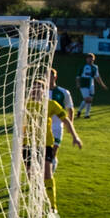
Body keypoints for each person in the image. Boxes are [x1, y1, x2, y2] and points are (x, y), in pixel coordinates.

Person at [25, 80, 82, 211]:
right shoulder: (24, 104)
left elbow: (65, 119)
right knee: (30, 173)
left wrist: (75, 136)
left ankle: (52, 205)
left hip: (46, 143)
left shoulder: (51, 105)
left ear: (44, 91)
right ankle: (36, 197)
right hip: (27, 143)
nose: (35, 91)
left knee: (47, 173)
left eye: (38, 88)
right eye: (33, 88)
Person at [48, 67, 76, 173]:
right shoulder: (41, 91)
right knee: (43, 152)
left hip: (57, 126)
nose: (48, 78)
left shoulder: (63, 92)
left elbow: (70, 108)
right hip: (44, 126)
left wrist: (70, 125)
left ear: (55, 77)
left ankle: (50, 173)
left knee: (53, 152)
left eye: (50, 76)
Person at [75, 53, 108, 118]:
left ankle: (80, 111)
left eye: (92, 59)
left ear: (94, 60)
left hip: (91, 85)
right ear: (86, 59)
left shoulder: (95, 67)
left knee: (89, 100)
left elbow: (97, 77)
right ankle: (86, 115)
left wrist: (102, 84)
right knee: (87, 99)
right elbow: (78, 76)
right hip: (84, 84)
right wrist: (78, 84)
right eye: (89, 59)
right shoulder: (82, 66)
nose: (90, 60)